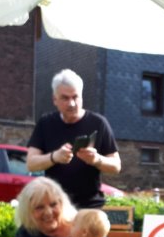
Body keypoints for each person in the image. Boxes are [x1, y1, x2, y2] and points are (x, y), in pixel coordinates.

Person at [27, 68, 121, 209]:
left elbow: (116, 166)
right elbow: (31, 164)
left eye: (75, 97)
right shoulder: (45, 123)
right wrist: (54, 157)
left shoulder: (98, 123)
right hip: (55, 206)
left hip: (90, 206)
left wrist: (96, 159)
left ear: (81, 97)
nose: (71, 103)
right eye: (65, 98)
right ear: (55, 100)